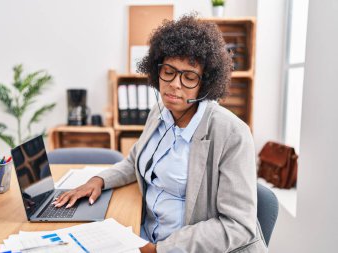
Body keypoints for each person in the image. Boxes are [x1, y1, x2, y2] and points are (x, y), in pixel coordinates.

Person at [53, 15, 267, 253]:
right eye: (169, 71)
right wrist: (99, 180)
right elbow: (135, 161)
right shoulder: (159, 112)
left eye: (188, 77)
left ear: (205, 83)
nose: (175, 84)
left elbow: (237, 226)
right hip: (144, 234)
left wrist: (160, 250)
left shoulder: (231, 133)